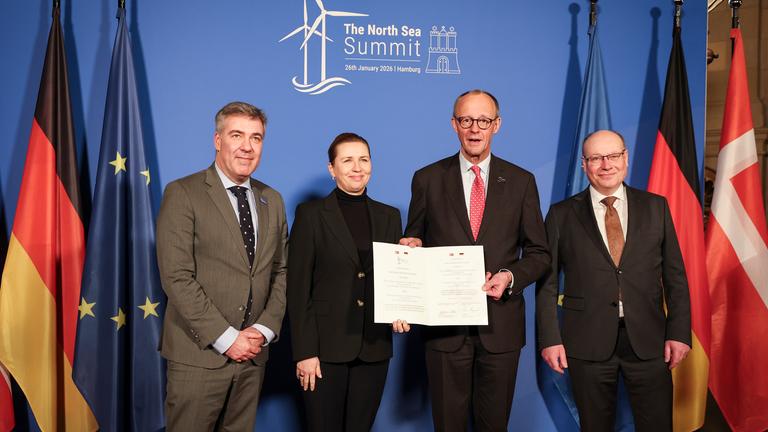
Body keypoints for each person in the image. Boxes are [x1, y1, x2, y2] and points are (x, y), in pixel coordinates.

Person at [399, 90, 550, 431]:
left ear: (497, 125)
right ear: (454, 124)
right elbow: (415, 239)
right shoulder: (427, 179)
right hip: (444, 330)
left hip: (500, 328)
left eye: (483, 120)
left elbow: (540, 254)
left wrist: (509, 276)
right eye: (466, 120)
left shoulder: (522, 181)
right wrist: (411, 247)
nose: (474, 128)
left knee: (494, 425)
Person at [536, 129, 691, 431]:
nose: (606, 164)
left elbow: (675, 277)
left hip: (649, 340)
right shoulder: (561, 215)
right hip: (586, 341)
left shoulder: (656, 207)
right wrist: (550, 339)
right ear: (585, 165)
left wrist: (680, 332)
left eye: (613, 156)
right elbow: (548, 283)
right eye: (596, 158)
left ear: (626, 158)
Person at [156, 101, 288, 431]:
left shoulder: (272, 199)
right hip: (198, 356)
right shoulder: (183, 193)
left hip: (253, 357)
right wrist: (227, 338)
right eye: (237, 135)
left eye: (256, 138)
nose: (247, 146)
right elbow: (176, 276)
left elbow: (281, 272)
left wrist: (263, 330)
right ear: (218, 140)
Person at [287, 132, 410, 432]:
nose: (357, 167)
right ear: (332, 168)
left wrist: (404, 309)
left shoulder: (389, 216)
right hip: (324, 349)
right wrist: (305, 352)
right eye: (348, 160)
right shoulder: (311, 215)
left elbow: (395, 279)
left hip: (374, 346)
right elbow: (297, 287)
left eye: (364, 159)